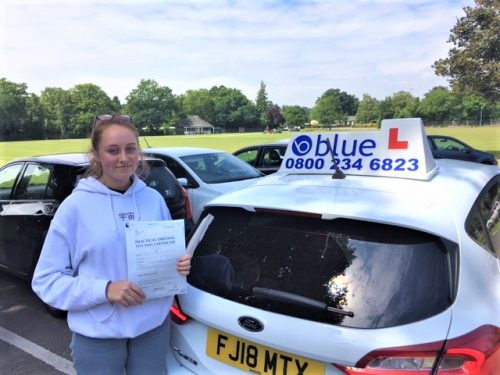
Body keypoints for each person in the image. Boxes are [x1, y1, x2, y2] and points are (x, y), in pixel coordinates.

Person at [32, 114, 191, 375]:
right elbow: (46, 281)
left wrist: (178, 263)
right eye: (113, 150)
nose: (124, 158)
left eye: (131, 149)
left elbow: (163, 258)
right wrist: (105, 290)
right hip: (99, 335)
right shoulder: (75, 208)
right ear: (96, 153)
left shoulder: (153, 199)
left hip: (153, 329)